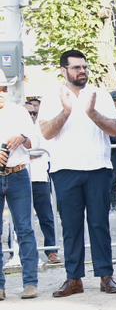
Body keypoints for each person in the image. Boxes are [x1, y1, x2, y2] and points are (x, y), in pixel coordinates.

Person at [38, 50, 116, 297]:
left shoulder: (100, 95)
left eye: (84, 67)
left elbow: (114, 129)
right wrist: (65, 112)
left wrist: (92, 112)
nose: (82, 71)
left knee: (99, 224)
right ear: (63, 70)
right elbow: (46, 132)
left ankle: (106, 276)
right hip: (65, 170)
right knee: (71, 227)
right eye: (76, 67)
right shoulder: (51, 97)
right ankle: (74, 279)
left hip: (98, 169)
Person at [0, 73, 40, 300]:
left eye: (3, 88)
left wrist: (22, 138)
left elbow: (34, 142)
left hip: (18, 173)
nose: (1, 93)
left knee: (24, 229)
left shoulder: (19, 111)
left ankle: (30, 282)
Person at [24, 97, 59, 265]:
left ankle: (51, 250)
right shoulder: (17, 125)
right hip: (20, 177)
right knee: (19, 219)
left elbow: (41, 149)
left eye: (34, 112)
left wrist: (25, 153)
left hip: (39, 177)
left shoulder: (40, 126)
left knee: (46, 216)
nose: (32, 115)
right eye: (28, 113)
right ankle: (17, 252)